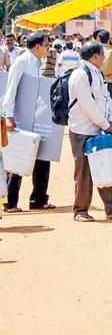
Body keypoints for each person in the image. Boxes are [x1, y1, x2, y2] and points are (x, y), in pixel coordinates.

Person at [67, 42, 112, 222]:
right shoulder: (80, 75)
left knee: (107, 166)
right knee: (84, 172)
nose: (105, 58)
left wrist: (111, 120)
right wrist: (105, 124)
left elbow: (107, 98)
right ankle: (80, 210)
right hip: (82, 130)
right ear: (95, 56)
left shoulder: (98, 74)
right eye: (102, 55)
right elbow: (88, 105)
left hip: (99, 128)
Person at [2, 33, 57, 213]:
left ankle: (39, 199)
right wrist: (9, 116)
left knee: (43, 157)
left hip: (37, 117)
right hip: (21, 118)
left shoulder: (37, 63)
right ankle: (10, 203)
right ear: (37, 47)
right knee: (19, 157)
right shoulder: (22, 62)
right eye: (46, 45)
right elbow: (11, 90)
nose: (48, 48)